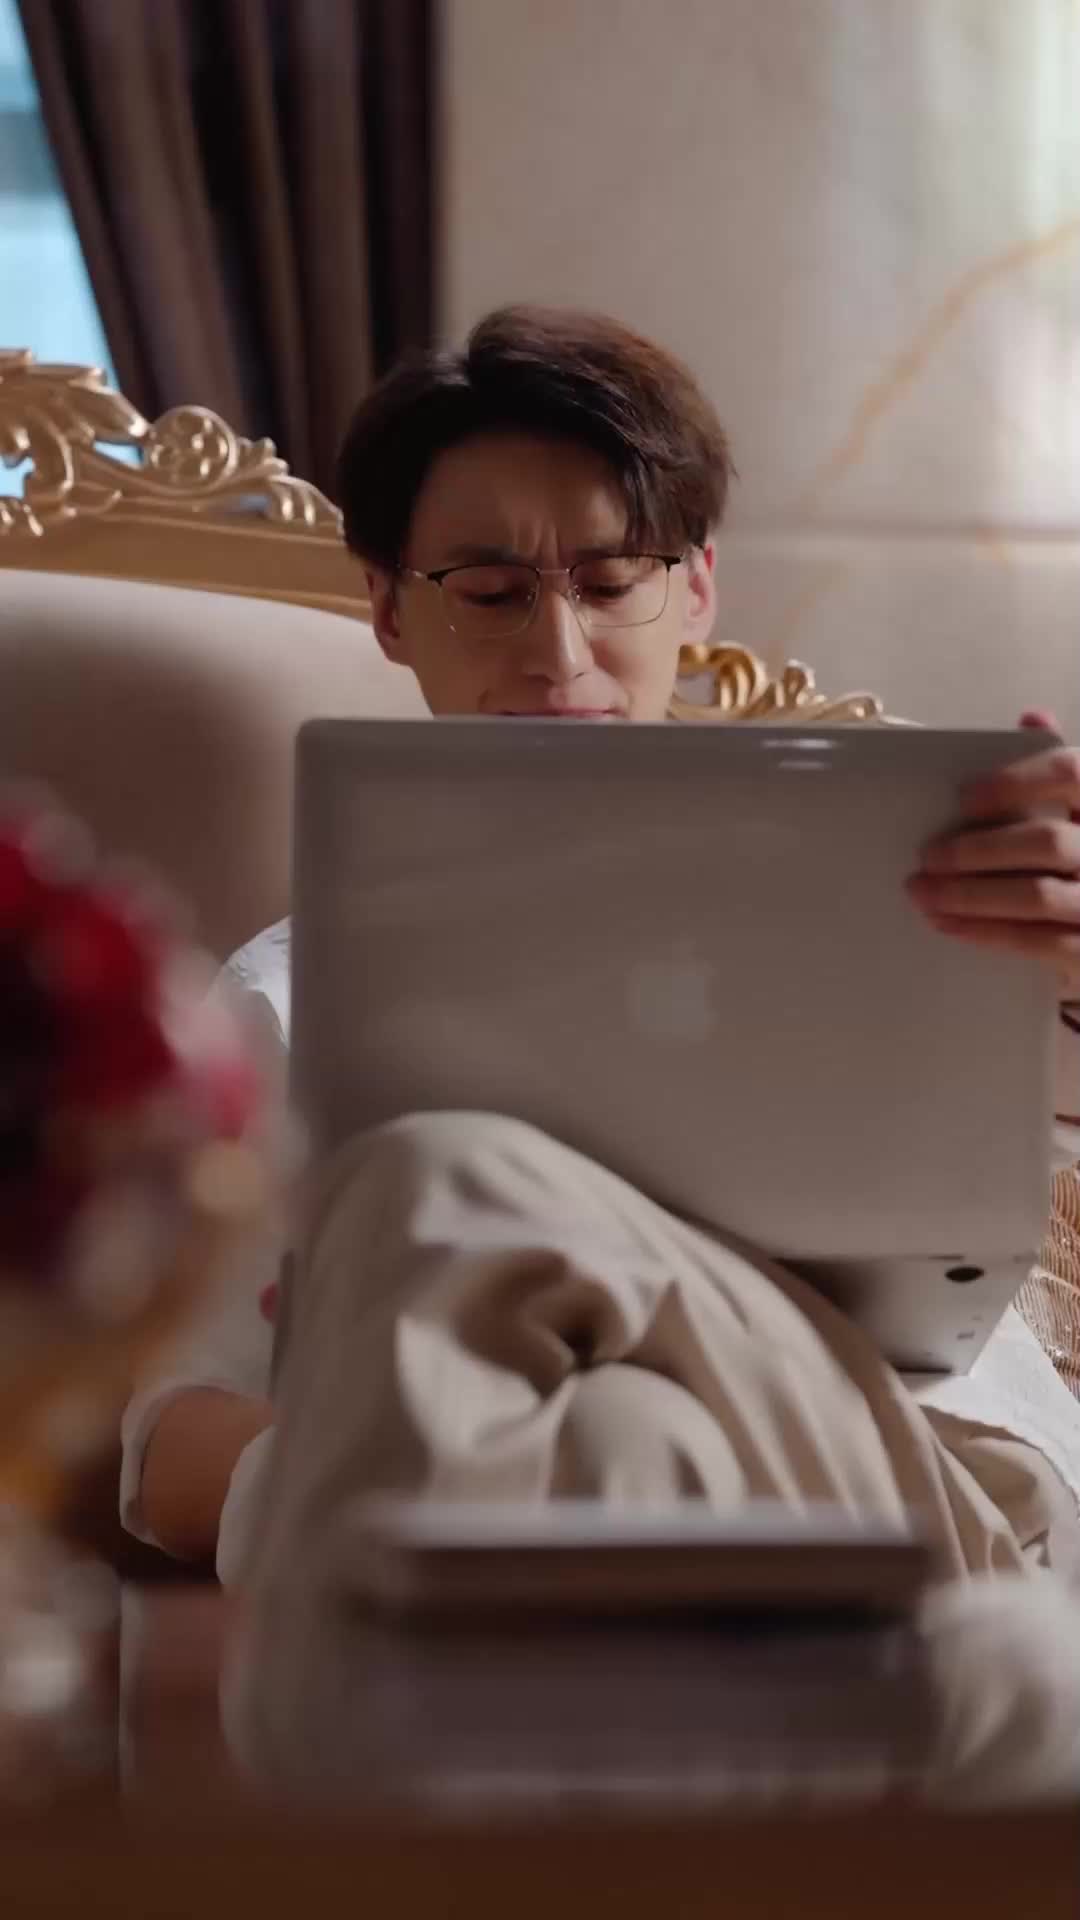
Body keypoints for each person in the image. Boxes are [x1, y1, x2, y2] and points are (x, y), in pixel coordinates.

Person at [121, 306, 1080, 1587]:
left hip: (923, 1473)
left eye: (612, 583)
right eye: (492, 595)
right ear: (390, 610)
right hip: (546, 1520)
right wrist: (392, 1464)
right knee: (503, 1291)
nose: (558, 656)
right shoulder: (289, 1000)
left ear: (696, 589)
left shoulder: (905, 909)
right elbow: (164, 1446)